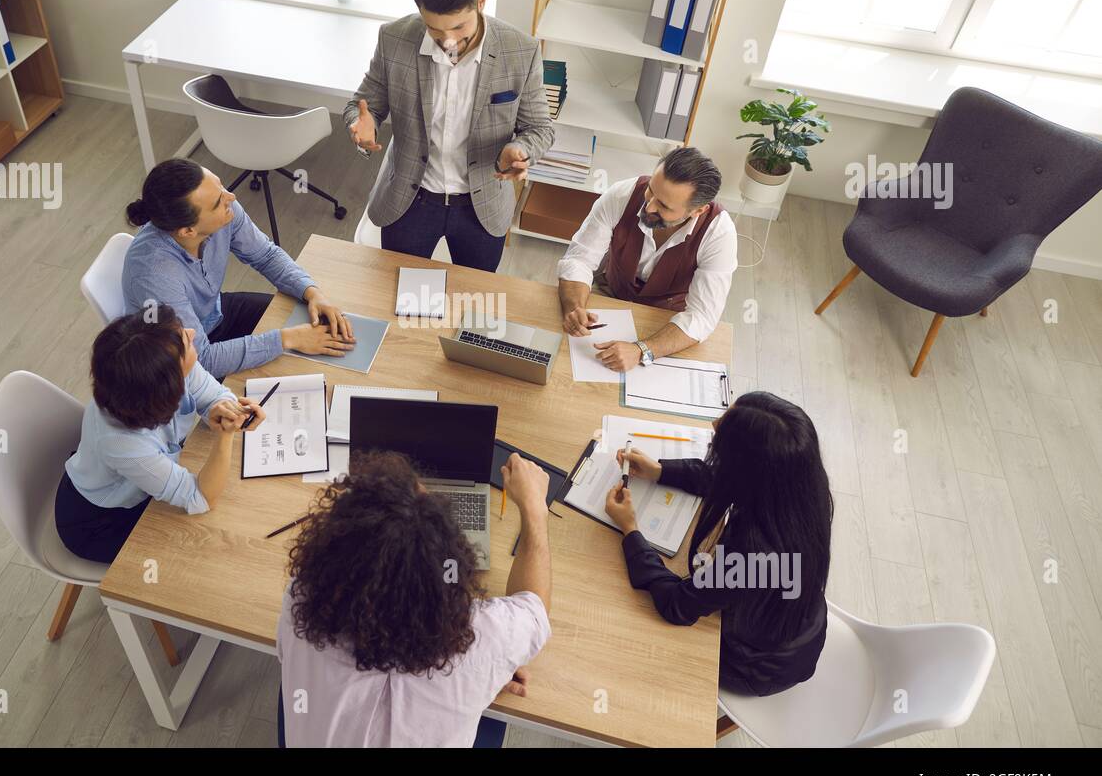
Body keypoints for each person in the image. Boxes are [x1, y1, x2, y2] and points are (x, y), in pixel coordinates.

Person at [276, 451, 553, 747]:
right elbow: (534, 608)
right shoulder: (483, 639)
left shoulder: (303, 596)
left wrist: (488, 670)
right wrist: (534, 508)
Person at [602, 391, 832, 696]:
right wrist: (661, 471)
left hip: (758, 666)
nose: (713, 422)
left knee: (629, 645)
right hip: (789, 622)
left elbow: (677, 605)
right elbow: (730, 479)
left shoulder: (755, 555)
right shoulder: (799, 488)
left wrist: (630, 530)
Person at [344, 0, 555, 272]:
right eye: (435, 30)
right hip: (410, 199)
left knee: (472, 300)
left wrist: (519, 148)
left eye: (459, 27)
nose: (449, 40)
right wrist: (361, 121)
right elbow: (363, 104)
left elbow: (540, 127)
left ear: (481, 1)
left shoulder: (521, 51)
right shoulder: (394, 38)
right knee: (402, 296)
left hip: (481, 204)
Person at [55, 305, 267, 563]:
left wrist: (225, 409)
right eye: (184, 342)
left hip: (137, 481)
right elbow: (200, 497)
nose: (192, 333)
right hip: (101, 521)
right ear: (167, 384)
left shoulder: (163, 370)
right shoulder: (122, 442)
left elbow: (215, 394)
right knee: (200, 550)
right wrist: (225, 436)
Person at [122, 157, 356, 380]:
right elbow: (202, 359)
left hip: (215, 312)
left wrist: (312, 292)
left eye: (221, 186)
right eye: (218, 202)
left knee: (313, 326)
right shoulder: (154, 274)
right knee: (292, 361)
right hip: (180, 359)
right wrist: (288, 339)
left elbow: (265, 255)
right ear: (188, 231)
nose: (231, 197)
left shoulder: (223, 207)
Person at [557, 146, 738, 372]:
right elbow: (579, 260)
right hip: (611, 293)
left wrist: (643, 350)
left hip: (669, 318)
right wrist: (574, 307)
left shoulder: (719, 234)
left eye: (663, 205)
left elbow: (701, 316)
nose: (649, 205)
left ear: (697, 211)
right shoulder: (622, 194)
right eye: (651, 190)